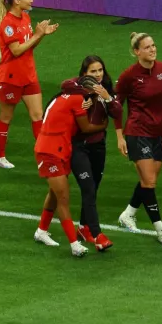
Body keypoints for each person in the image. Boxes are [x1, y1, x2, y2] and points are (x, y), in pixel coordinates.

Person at [50, 57, 121, 251]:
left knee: (93, 188)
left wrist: (107, 97)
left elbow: (117, 112)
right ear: (84, 73)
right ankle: (97, 235)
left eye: (100, 70)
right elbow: (65, 84)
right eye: (93, 71)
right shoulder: (78, 86)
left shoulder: (107, 88)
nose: (97, 75)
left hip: (98, 146)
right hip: (78, 146)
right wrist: (86, 91)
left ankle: (83, 228)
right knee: (88, 187)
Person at [33, 76, 108, 257]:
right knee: (63, 198)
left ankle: (41, 231)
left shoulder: (66, 94)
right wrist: (104, 124)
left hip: (59, 149)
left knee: (54, 193)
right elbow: (86, 128)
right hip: (50, 152)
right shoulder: (77, 99)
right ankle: (74, 245)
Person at [114, 32, 162, 246]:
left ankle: (128, 214)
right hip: (137, 132)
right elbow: (117, 106)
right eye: (147, 47)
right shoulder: (129, 76)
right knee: (149, 181)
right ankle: (160, 229)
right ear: (136, 52)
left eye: (153, 45)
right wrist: (119, 136)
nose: (153, 49)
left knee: (148, 181)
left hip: (160, 133)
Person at [0, 0, 58, 170]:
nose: (32, 0)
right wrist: (37, 34)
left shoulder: (25, 18)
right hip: (10, 78)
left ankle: (46, 156)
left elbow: (29, 46)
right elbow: (16, 50)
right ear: (16, 1)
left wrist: (42, 35)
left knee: (38, 116)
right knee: (6, 117)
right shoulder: (7, 24)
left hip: (29, 75)